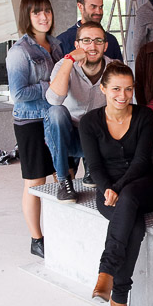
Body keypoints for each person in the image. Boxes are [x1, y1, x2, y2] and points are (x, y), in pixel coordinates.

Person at [79, 62, 153, 306]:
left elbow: (140, 161)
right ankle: (119, 298)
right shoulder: (89, 122)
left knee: (128, 197)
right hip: (107, 189)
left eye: (129, 89)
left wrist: (118, 188)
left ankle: (107, 269)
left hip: (144, 185)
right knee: (135, 227)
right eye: (116, 88)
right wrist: (107, 188)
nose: (123, 95)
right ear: (103, 89)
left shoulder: (145, 116)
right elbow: (94, 165)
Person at [5, 0, 63, 257]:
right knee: (34, 181)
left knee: (63, 176)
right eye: (36, 12)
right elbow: (17, 94)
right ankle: (36, 239)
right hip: (31, 121)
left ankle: (65, 230)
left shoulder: (57, 45)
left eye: (47, 11)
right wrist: (49, 87)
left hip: (57, 117)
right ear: (27, 17)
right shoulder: (19, 52)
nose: (43, 17)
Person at [44, 20, 112, 201]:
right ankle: (64, 181)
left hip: (96, 136)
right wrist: (69, 60)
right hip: (67, 134)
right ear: (77, 45)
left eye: (98, 41)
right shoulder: (63, 65)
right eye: (86, 40)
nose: (92, 46)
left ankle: (93, 165)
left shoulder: (114, 68)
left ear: (105, 46)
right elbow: (53, 99)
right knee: (56, 113)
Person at [56, 0, 123, 62]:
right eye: (93, 7)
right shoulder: (63, 41)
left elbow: (121, 72)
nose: (98, 12)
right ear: (80, 6)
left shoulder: (111, 40)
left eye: (101, 7)